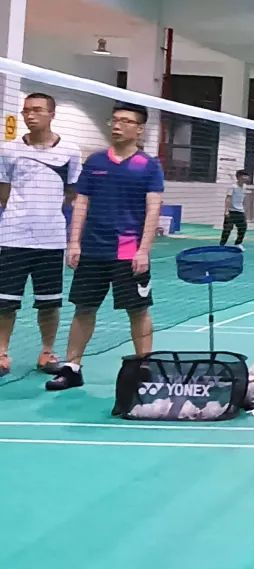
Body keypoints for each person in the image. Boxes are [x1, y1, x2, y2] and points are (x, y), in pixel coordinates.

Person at [48, 103, 164, 391]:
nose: (117, 125)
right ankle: (72, 368)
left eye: (125, 121)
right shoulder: (95, 161)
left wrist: (144, 250)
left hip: (128, 251)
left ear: (140, 129)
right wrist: (74, 242)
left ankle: (143, 367)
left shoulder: (148, 165)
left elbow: (153, 208)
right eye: (114, 120)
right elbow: (81, 202)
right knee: (84, 308)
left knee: (138, 309)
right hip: (93, 249)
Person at [0, 93, 81, 376]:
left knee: (49, 302)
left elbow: (72, 193)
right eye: (25, 111)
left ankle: (47, 353)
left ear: (52, 114)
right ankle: (1, 353)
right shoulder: (8, 150)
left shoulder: (70, 151)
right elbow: (3, 192)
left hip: (51, 239)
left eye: (36, 110)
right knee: (5, 301)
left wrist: (47, 213)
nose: (30, 115)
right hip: (13, 237)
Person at [220, 169, 250, 247]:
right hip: (231, 211)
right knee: (227, 230)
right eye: (245, 175)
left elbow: (243, 199)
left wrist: (245, 209)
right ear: (239, 177)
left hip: (240, 211)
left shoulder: (245, 187)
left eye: (247, 176)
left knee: (243, 228)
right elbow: (228, 198)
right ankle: (222, 245)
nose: (247, 177)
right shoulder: (233, 187)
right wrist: (226, 211)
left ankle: (238, 244)